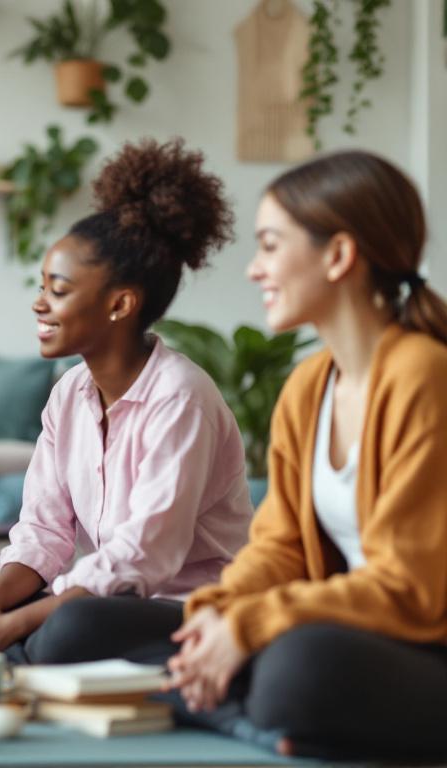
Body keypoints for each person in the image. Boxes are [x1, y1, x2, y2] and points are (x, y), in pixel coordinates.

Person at [0, 138, 251, 665]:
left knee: (72, 627)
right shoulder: (69, 394)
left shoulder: (181, 398)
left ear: (120, 303)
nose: (39, 302)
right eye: (43, 286)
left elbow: (143, 557)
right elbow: (42, 531)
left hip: (177, 605)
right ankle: (6, 649)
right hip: (98, 594)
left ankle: (9, 651)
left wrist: (14, 622)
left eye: (59, 289)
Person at [167, 150, 447, 761]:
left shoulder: (423, 376)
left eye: (269, 245)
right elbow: (280, 545)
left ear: (340, 255)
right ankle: (253, 712)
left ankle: (239, 706)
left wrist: (251, 626)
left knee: (298, 669)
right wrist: (217, 611)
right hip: (349, 625)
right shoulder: (308, 385)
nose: (254, 270)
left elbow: (411, 589)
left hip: (422, 642)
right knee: (84, 630)